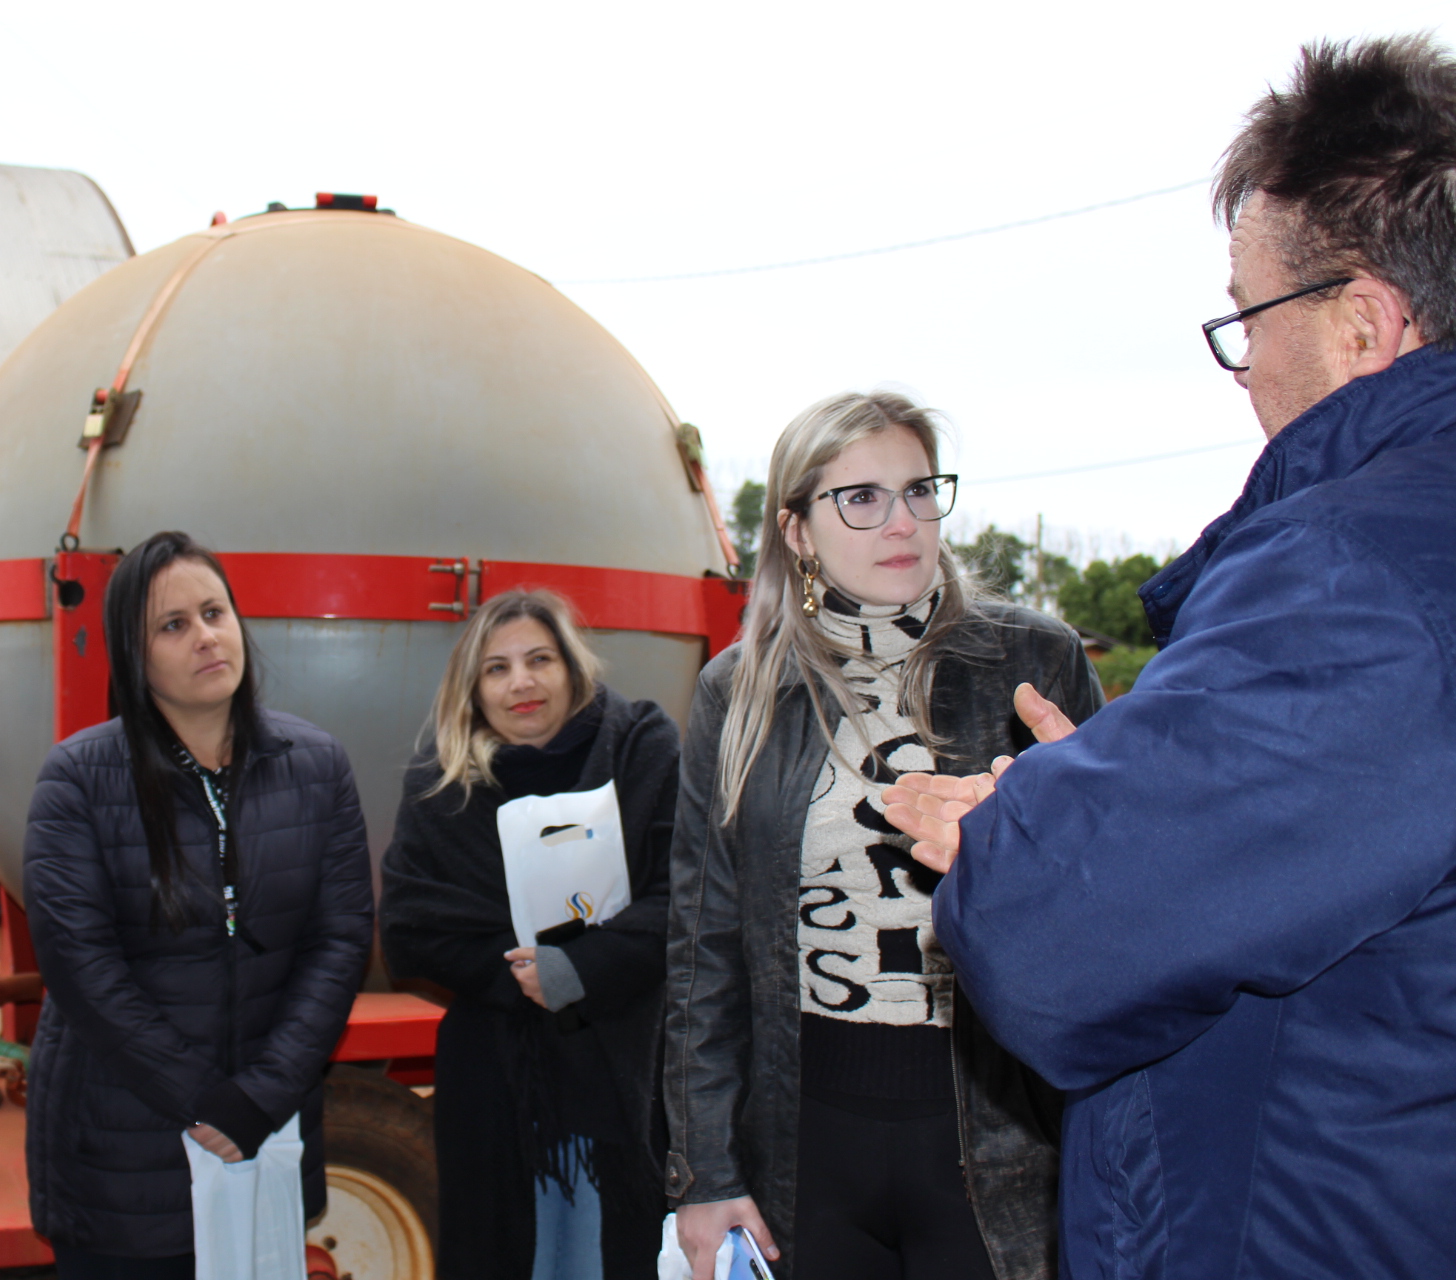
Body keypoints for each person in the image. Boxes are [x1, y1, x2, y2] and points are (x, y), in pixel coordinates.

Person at [881, 36, 1456, 1279]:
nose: (1244, 370)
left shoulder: (1350, 575)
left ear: (1363, 323)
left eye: (1249, 318)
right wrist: (1129, 802)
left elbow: (1060, 943)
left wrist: (1028, 827)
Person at [664, 392, 1102, 1280]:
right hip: (806, 1145)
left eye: (919, 490)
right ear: (797, 530)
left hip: (1008, 1137)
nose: (902, 521)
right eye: (861, 497)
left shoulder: (1036, 661)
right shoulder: (738, 689)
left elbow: (1119, 908)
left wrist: (1045, 850)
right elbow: (703, 944)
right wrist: (704, 1169)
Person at [23, 530, 373, 1279]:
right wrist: (206, 1099)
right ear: (133, 655)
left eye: (215, 613)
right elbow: (81, 965)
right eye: (173, 625)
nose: (206, 637)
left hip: (265, 1131)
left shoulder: (316, 766)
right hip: (122, 1152)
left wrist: (262, 1095)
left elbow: (340, 940)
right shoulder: (78, 779)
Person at [380, 589, 677, 1280]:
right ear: (473, 689)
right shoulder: (440, 783)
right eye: (497, 668)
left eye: (540, 659)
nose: (522, 682)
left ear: (572, 667)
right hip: (495, 1084)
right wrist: (521, 971)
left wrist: (580, 970)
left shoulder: (643, 748)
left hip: (625, 1069)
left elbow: (685, 898)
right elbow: (410, 924)